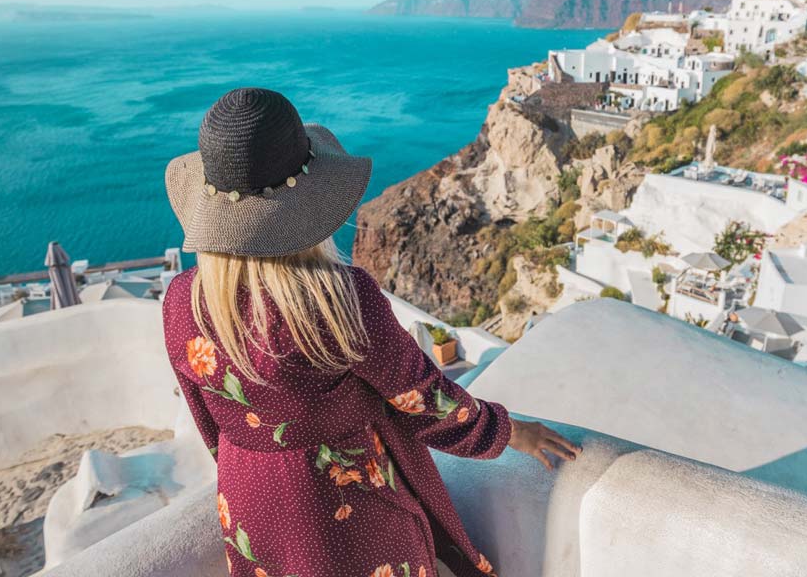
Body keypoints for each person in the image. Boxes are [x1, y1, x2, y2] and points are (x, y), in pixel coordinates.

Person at [162, 88, 581, 577]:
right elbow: (424, 400)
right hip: (347, 506)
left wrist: (252, 462)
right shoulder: (337, 300)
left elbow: (208, 424)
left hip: (249, 499)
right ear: (309, 201)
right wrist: (510, 432)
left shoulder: (182, 301)